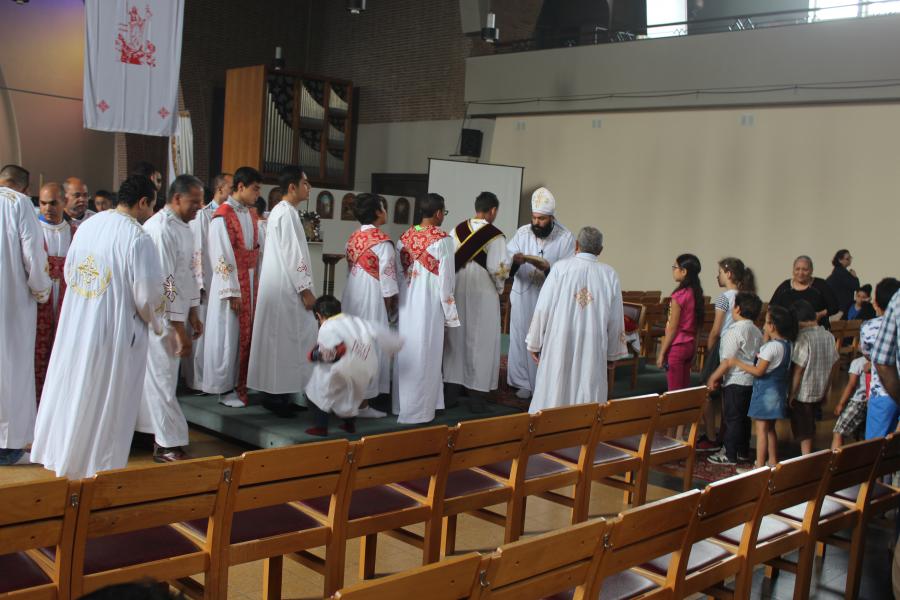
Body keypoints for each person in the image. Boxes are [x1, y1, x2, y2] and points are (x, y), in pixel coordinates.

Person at [31, 175, 164, 479]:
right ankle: (96, 469)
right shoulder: (139, 237)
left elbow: (69, 272)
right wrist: (160, 321)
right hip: (112, 332)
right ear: (143, 202)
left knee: (75, 389)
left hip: (77, 324)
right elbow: (146, 296)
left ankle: (65, 457)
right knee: (104, 398)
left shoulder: (89, 225)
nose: (151, 213)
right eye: (152, 206)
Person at [137, 175, 204, 463]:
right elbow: (166, 283)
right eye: (194, 202)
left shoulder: (184, 227)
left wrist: (193, 313)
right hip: (161, 316)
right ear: (176, 198)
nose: (199, 208)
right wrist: (178, 329)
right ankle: (165, 444)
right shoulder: (161, 228)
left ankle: (155, 435)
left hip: (176, 312)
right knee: (162, 378)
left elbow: (187, 275)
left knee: (164, 378)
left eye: (201, 202)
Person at [526, 226, 627, 413]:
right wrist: (613, 353)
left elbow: (543, 308)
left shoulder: (560, 268)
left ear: (576, 245)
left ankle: (548, 432)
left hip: (560, 340)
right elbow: (615, 318)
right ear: (600, 250)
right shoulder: (609, 274)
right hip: (593, 344)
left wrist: (534, 342)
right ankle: (582, 433)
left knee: (555, 387)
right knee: (587, 388)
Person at [247, 166, 317, 417]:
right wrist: (304, 289)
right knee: (284, 342)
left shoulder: (284, 212)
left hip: (281, 285)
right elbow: (292, 253)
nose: (308, 188)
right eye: (306, 183)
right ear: (292, 187)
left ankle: (283, 394)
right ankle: (277, 398)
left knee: (284, 343)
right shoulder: (285, 214)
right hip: (285, 289)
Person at [0, 164, 51, 466]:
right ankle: (8, 445)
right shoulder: (19, 204)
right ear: (24, 187)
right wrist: (41, 291)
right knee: (12, 372)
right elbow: (33, 252)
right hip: (11, 303)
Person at [392, 193, 459, 424]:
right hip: (429, 304)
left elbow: (400, 273)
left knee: (408, 351)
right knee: (427, 352)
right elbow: (447, 281)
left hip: (406, 302)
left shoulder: (404, 237)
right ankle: (419, 410)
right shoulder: (443, 240)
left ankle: (404, 404)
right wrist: (450, 315)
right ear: (439, 213)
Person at [506, 187, 576, 399]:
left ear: (552, 217)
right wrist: (515, 260)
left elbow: (569, 271)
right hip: (522, 294)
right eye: (535, 218)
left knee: (545, 339)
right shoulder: (522, 232)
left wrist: (548, 267)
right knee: (520, 337)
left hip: (548, 298)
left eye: (542, 219)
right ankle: (522, 381)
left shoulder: (565, 237)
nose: (537, 223)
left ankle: (543, 384)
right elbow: (507, 259)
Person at [202, 167, 264, 407]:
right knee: (227, 335)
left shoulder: (250, 213)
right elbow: (221, 256)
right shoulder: (222, 216)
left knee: (245, 335)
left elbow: (256, 248)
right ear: (240, 187)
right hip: (231, 284)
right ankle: (224, 388)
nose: (258, 194)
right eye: (255, 188)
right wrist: (232, 291)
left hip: (250, 279)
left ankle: (241, 385)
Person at [444, 191, 510, 412]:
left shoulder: (456, 230)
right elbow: (498, 269)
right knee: (481, 342)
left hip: (459, 289)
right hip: (483, 293)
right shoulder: (496, 236)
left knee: (456, 339)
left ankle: (450, 393)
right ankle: (477, 399)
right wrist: (499, 290)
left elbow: (448, 261)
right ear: (492, 211)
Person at [305, 295, 403, 436]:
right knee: (349, 396)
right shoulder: (355, 320)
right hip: (366, 365)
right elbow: (378, 329)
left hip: (343, 365)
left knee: (317, 390)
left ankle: (321, 427)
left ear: (318, 315)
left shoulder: (327, 326)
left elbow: (329, 354)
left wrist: (314, 356)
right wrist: (393, 345)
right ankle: (349, 425)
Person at [342, 193, 398, 417]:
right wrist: (390, 305)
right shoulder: (382, 242)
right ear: (377, 212)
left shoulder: (353, 237)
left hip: (352, 294)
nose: (386, 211)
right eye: (384, 208)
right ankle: (363, 404)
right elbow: (388, 280)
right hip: (372, 297)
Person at [698, 257, 756, 452]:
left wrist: (710, 347)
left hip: (724, 343)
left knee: (706, 390)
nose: (718, 276)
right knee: (728, 393)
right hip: (741, 346)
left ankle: (711, 437)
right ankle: (725, 435)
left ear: (729, 273)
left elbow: (716, 329)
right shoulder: (745, 294)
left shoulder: (725, 297)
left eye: (721, 272)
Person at [728, 305, 797, 468]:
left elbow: (758, 371)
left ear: (773, 326)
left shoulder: (771, 347)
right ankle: (772, 460)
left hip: (765, 394)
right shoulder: (786, 345)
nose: (763, 325)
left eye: (766, 322)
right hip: (778, 393)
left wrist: (736, 361)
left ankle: (759, 465)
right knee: (770, 429)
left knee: (760, 431)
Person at [183, 172, 232, 392]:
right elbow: (198, 250)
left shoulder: (231, 214)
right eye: (231, 187)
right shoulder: (204, 215)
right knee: (201, 332)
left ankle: (215, 378)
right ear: (220, 189)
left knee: (218, 330)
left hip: (224, 279)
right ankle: (197, 379)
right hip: (208, 280)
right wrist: (200, 283)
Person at [706, 292, 764, 466]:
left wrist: (713, 377)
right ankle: (742, 451)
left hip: (736, 381)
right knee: (744, 418)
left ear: (737, 308)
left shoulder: (734, 331)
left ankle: (729, 454)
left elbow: (727, 361)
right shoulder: (756, 330)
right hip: (750, 381)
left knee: (732, 419)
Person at [34, 183, 75, 400]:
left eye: (53, 203)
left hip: (66, 300)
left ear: (64, 202)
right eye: (42, 203)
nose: (47, 208)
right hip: (38, 302)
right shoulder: (32, 231)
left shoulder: (76, 232)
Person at [788, 300, 838, 454]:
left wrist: (791, 394)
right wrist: (827, 390)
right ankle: (808, 456)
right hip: (820, 388)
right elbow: (834, 365)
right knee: (810, 425)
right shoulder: (828, 335)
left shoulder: (803, 338)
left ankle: (806, 459)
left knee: (805, 431)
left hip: (804, 392)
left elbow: (798, 370)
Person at [656, 254, 704, 393]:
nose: (673, 270)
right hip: (689, 345)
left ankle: (676, 415)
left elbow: (672, 327)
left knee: (674, 392)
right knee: (684, 391)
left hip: (677, 346)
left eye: (675, 267)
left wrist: (662, 353)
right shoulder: (696, 293)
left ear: (684, 271)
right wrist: (694, 350)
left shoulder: (679, 295)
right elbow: (698, 326)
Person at [864, 277, 900, 439]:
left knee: (876, 448)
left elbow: (879, 359)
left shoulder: (897, 301)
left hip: (883, 390)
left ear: (876, 303)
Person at [769, 255, 839, 329]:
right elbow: (772, 307)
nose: (800, 273)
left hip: (816, 330)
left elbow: (834, 307)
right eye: (797, 269)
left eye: (805, 270)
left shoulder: (820, 285)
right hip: (789, 332)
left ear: (811, 270)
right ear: (793, 270)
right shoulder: (785, 287)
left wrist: (820, 314)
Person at [831, 355, 870, 449]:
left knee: (838, 432)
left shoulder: (858, 362)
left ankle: (834, 460)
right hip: (870, 402)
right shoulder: (876, 362)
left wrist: (841, 403)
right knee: (862, 434)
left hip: (858, 402)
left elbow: (851, 385)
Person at [825, 249, 859, 317]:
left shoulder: (834, 274)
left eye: (850, 258)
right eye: (847, 258)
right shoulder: (844, 274)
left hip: (833, 309)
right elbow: (856, 287)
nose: (850, 260)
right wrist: (855, 277)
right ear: (840, 260)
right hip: (843, 310)